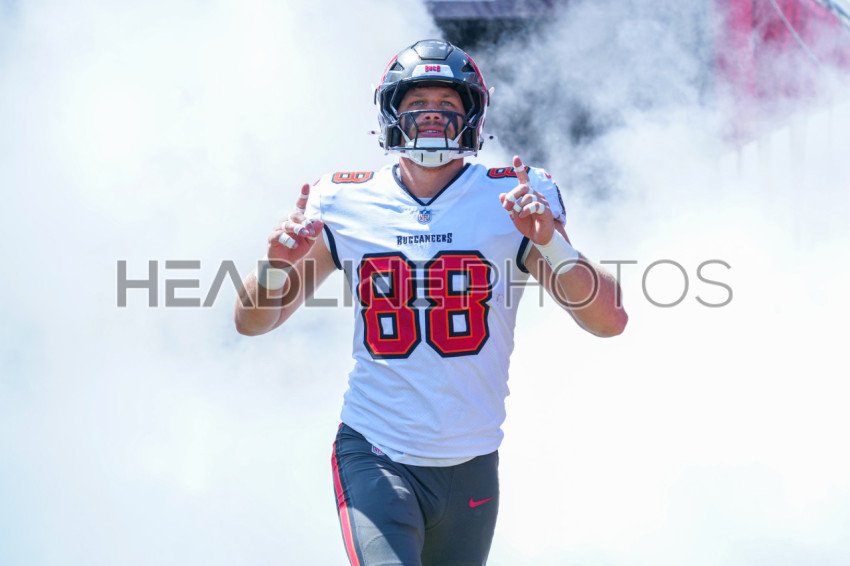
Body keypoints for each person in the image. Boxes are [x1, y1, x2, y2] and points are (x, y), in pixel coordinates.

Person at [235, 39, 627, 566]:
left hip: (472, 461)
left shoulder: (513, 198)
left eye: (447, 103)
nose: (433, 115)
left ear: (474, 115)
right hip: (376, 451)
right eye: (417, 103)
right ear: (390, 113)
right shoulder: (343, 200)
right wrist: (274, 266)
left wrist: (551, 242)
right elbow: (252, 321)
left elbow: (607, 320)